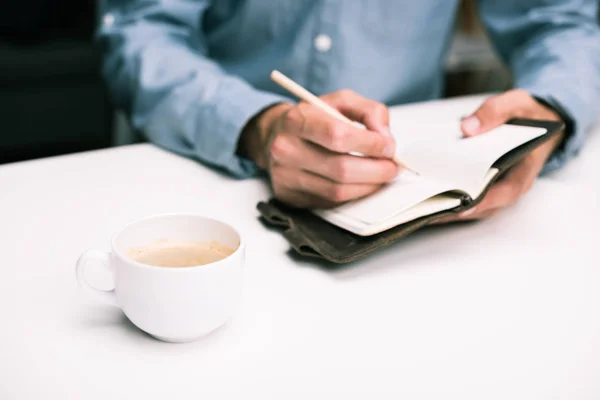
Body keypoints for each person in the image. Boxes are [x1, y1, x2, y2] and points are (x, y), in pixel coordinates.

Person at [97, 1, 600, 220]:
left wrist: (548, 106)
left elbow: (559, 21)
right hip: (202, 170)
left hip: (408, 191)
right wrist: (258, 125)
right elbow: (141, 32)